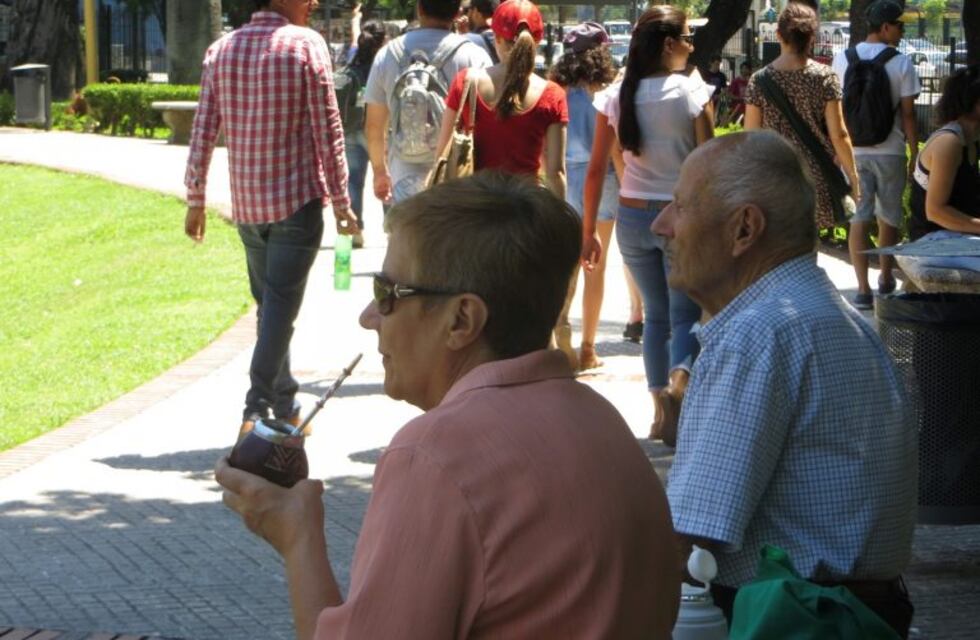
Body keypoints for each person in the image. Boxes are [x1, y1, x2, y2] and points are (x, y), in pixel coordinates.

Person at [216, 172, 681, 639]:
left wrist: (299, 540)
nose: (368, 317)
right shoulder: (599, 418)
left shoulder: (435, 455)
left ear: (461, 320)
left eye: (387, 294)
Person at [653, 130, 917, 638]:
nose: (663, 225)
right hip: (846, 614)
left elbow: (688, 534)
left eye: (679, 206)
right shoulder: (829, 316)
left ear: (744, 228)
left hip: (791, 618)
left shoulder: (758, 333)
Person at [184, 0, 356, 436]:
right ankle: (255, 409)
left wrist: (196, 198)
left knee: (271, 308)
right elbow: (328, 130)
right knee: (277, 308)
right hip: (296, 203)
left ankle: (286, 402)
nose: (314, 3)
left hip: (248, 206)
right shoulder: (306, 46)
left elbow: (203, 128)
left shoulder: (221, 50)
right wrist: (342, 201)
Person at [582, 5, 710, 442]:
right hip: (681, 217)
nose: (692, 46)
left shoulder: (616, 96)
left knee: (655, 318)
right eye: (689, 37)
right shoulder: (690, 93)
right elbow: (708, 166)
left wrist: (587, 234)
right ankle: (680, 391)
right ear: (669, 45)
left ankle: (659, 412)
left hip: (632, 219)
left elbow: (597, 170)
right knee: (686, 315)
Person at [437, 0, 571, 365]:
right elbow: (556, 171)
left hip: (474, 215)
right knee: (531, 310)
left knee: (478, 309)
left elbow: (443, 152)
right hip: (526, 217)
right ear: (538, 40)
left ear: (496, 37)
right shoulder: (552, 96)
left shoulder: (466, 84)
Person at [832, 0, 920, 310]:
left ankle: (862, 289)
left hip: (853, 152)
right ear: (884, 27)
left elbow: (836, 111)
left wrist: (836, 149)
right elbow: (908, 116)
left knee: (859, 217)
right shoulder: (902, 63)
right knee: (889, 217)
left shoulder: (842, 59)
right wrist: (913, 151)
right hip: (890, 151)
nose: (902, 30)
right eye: (899, 25)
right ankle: (884, 279)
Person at [745, 2, 860, 232]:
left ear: (779, 35)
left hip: (774, 176)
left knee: (778, 247)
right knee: (808, 245)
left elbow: (750, 138)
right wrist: (854, 178)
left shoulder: (759, 81)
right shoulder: (825, 78)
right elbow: (839, 134)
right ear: (812, 38)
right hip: (815, 178)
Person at [363, 0, 492, 204]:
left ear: (419, 8)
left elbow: (373, 126)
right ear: (458, 12)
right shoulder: (474, 56)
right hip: (457, 176)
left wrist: (379, 171)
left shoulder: (387, 55)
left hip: (403, 176)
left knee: (407, 234)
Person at [550, 21, 619, 370]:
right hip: (604, 179)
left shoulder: (555, 88)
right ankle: (589, 348)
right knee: (597, 266)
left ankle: (561, 340)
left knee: (564, 265)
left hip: (564, 178)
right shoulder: (607, 89)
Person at [909, 64, 980, 242]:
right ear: (974, 102)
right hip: (932, 242)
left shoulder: (970, 141)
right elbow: (935, 212)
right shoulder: (949, 142)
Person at [338, 15, 388, 248]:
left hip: (351, 129)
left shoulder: (352, 63)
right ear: (383, 40)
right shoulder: (385, 64)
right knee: (386, 178)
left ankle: (356, 231)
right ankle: (392, 228)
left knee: (354, 182)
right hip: (378, 131)